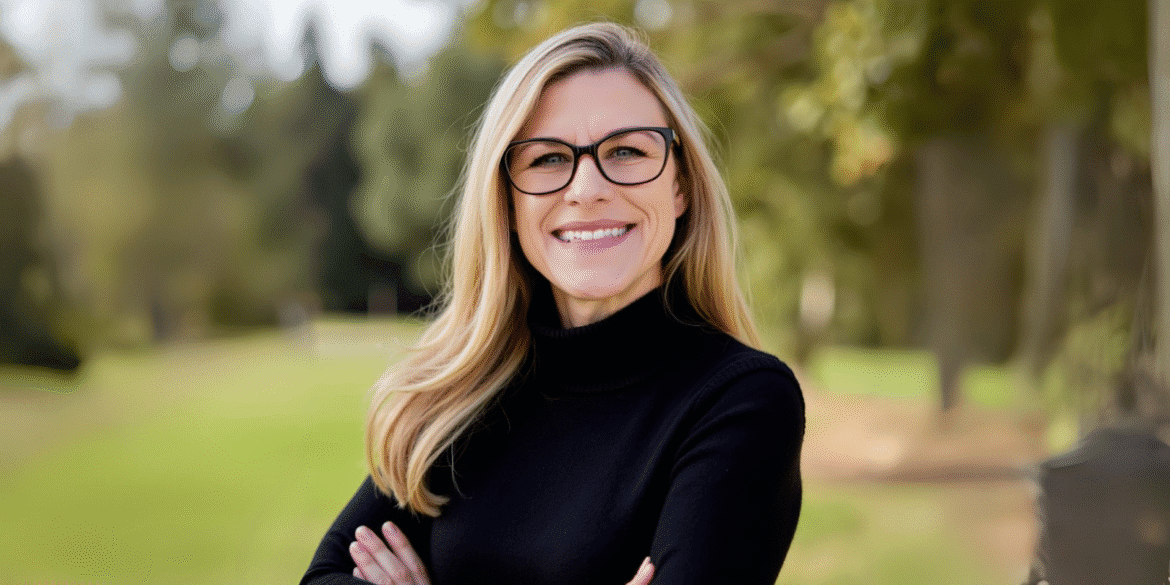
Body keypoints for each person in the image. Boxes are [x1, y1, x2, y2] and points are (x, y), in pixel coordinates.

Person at [300, 21, 804, 585]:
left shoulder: (742, 401)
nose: (587, 188)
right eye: (547, 159)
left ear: (680, 185)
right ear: (507, 200)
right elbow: (325, 576)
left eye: (627, 150)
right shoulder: (464, 392)